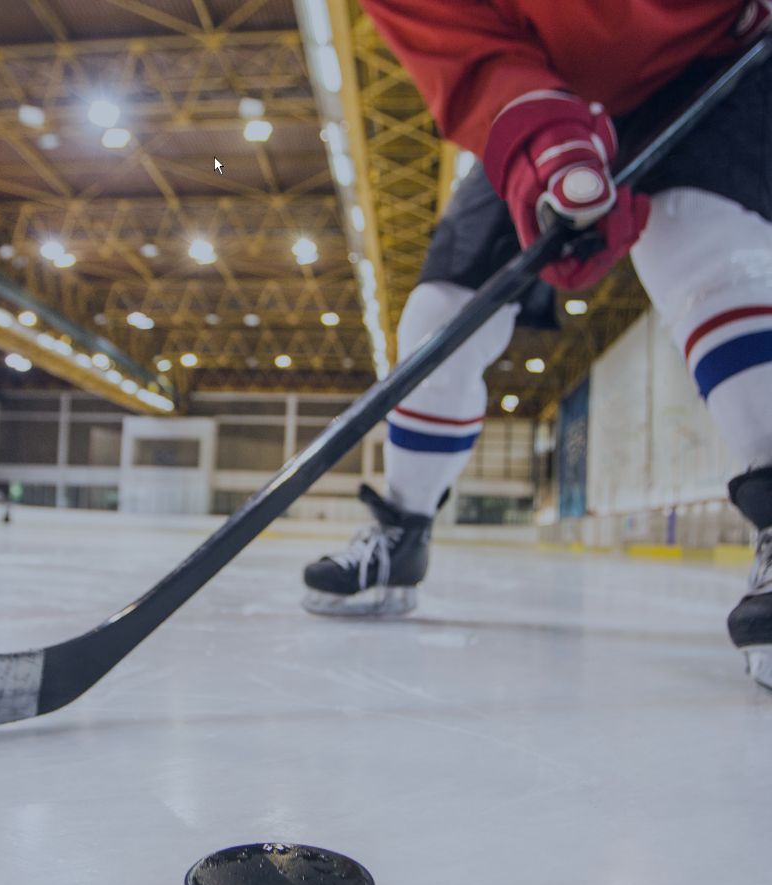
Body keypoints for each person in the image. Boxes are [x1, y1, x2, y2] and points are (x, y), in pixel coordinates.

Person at [302, 0, 772, 691]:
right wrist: (549, 153)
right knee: (440, 318)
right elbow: (473, 54)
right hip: (549, 93)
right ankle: (403, 532)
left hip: (718, 58)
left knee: (708, 247)